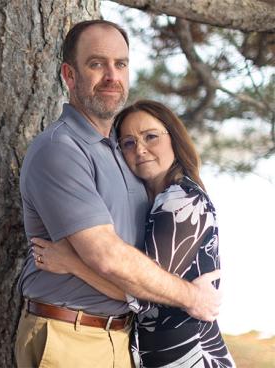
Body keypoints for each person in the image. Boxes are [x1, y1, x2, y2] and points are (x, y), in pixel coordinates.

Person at [15, 20, 222, 368]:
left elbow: (141, 275)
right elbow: (108, 256)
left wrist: (71, 264)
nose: (112, 75)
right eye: (97, 64)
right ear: (69, 75)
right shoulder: (62, 149)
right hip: (71, 335)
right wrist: (192, 297)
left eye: (121, 64)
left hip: (122, 339)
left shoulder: (123, 151)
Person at [32, 100, 235, 367]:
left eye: (151, 137)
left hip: (189, 357)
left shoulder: (179, 201)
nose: (140, 149)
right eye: (128, 143)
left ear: (173, 138)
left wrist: (71, 263)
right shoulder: (156, 201)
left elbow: (140, 290)